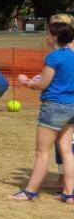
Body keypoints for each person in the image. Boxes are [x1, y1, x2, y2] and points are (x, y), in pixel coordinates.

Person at [10, 20, 74, 202]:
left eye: (48, 34)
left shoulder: (54, 57)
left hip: (54, 107)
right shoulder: (72, 55)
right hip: (71, 106)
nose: (46, 37)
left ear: (55, 37)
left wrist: (27, 82)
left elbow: (43, 84)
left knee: (42, 152)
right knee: (66, 150)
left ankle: (30, 191)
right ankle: (69, 193)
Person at [48, 13, 74, 186]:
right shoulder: (59, 51)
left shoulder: (68, 51)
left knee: (68, 142)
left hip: (66, 102)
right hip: (64, 101)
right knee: (62, 141)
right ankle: (62, 178)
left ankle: (67, 182)